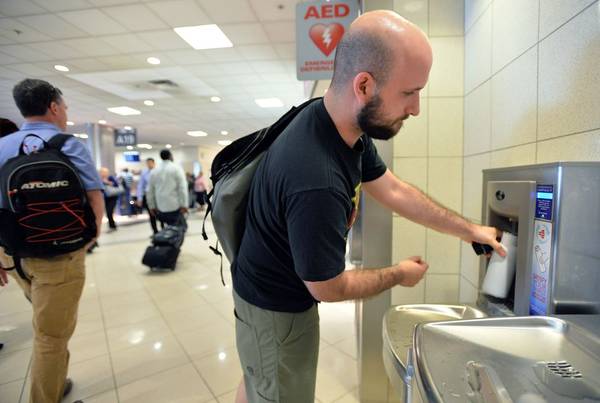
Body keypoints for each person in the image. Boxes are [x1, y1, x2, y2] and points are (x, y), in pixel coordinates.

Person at [231, 11, 505, 403]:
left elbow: (392, 189)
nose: (416, 108)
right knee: (272, 388)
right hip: (275, 314)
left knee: (257, 382)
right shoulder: (317, 178)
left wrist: (469, 230)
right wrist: (397, 275)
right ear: (364, 85)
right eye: (409, 92)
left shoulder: (337, 125)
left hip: (259, 289)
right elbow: (326, 287)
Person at [0, 78, 104, 403]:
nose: (66, 114)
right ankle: (47, 396)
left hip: (11, 252)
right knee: (51, 335)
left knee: (46, 319)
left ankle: (55, 378)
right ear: (54, 107)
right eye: (66, 108)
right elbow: (95, 197)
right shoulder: (68, 144)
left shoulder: (2, 145)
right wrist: (89, 238)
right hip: (58, 256)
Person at [146, 149, 188, 228]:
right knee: (178, 228)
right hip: (175, 205)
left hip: (160, 206)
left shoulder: (154, 171)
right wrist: (184, 204)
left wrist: (151, 206)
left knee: (167, 227)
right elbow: (182, 188)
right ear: (170, 156)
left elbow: (150, 190)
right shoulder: (177, 169)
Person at [136, 158, 158, 234]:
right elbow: (140, 186)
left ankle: (163, 229)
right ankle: (155, 231)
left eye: (150, 163)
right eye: (147, 163)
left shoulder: (158, 171)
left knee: (161, 214)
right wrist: (139, 198)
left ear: (154, 163)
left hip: (158, 195)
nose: (149, 164)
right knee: (151, 213)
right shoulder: (144, 173)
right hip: (148, 195)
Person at [99, 167, 120, 232]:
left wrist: (107, 182)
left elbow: (116, 185)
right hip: (105, 198)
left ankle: (112, 226)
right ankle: (112, 226)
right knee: (108, 213)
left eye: (104, 172)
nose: (103, 174)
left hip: (113, 197)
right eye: (102, 172)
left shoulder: (111, 178)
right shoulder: (99, 179)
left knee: (109, 211)